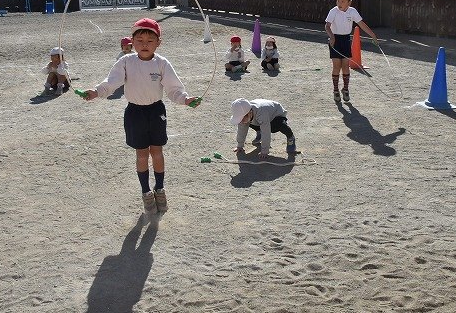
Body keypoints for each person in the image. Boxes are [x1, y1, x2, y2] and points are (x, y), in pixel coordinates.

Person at [82, 18, 201, 215]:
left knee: (157, 151)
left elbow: (174, 88)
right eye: (140, 40)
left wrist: (185, 99)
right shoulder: (126, 62)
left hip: (156, 111)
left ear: (158, 43)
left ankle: (160, 188)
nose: (145, 44)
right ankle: (146, 191)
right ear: (132, 42)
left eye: (150, 40)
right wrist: (96, 91)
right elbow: (111, 82)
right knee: (142, 154)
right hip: (134, 113)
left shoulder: (162, 63)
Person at [325, 0, 379, 103]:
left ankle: (345, 89)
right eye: (338, 0)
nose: (339, 3)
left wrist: (373, 35)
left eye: (342, 1)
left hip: (346, 40)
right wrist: (332, 37)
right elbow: (327, 26)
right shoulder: (333, 11)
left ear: (349, 2)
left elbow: (362, 25)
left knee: (345, 65)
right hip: (335, 40)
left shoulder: (352, 11)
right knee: (336, 66)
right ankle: (335, 90)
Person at [230, 98, 296, 158]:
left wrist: (264, 151)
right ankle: (259, 132)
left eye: (242, 118)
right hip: (260, 116)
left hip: (276, 114)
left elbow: (266, 132)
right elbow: (242, 130)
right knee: (245, 123)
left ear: (249, 113)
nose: (241, 121)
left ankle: (290, 137)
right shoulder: (245, 112)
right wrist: (240, 145)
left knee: (277, 126)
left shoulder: (261, 113)